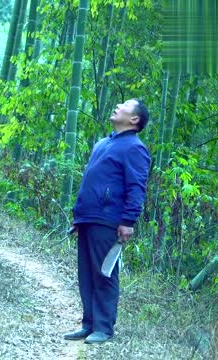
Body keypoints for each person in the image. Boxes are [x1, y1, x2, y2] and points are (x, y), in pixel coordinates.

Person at [63, 98, 151, 344]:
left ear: (134, 119)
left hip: (108, 219)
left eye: (124, 105)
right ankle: (88, 324)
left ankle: (103, 327)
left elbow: (137, 187)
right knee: (87, 274)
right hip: (88, 218)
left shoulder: (134, 148)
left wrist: (128, 220)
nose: (117, 106)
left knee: (104, 274)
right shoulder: (103, 143)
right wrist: (78, 214)